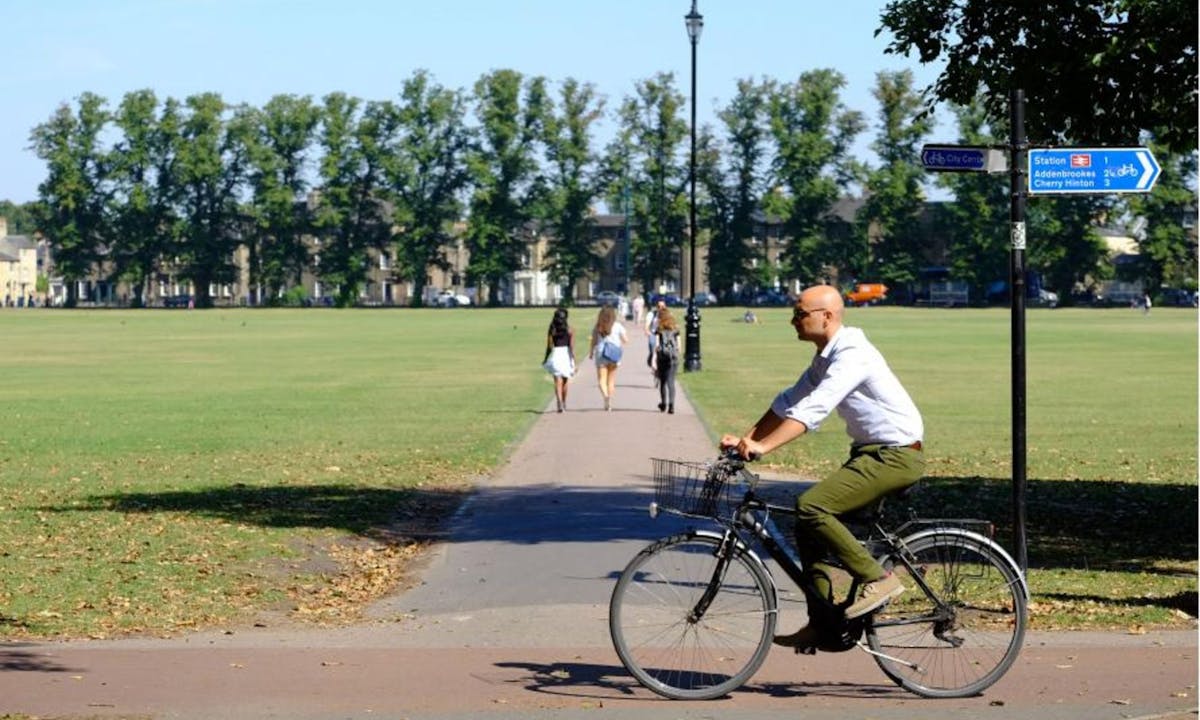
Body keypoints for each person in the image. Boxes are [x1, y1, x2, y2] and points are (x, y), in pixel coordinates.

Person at [720, 284, 925, 650]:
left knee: (812, 506)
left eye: (800, 314)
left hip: (896, 455)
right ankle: (825, 624)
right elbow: (788, 401)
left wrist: (763, 446)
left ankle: (879, 578)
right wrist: (746, 440)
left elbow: (815, 408)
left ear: (826, 316)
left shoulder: (852, 354)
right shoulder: (826, 356)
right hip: (870, 453)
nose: (792, 321)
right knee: (808, 523)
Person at [588, 305, 627, 411]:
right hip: (614, 354)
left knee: (601, 379)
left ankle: (605, 397)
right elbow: (625, 340)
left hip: (601, 353)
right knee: (611, 380)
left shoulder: (598, 326)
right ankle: (609, 399)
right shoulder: (617, 325)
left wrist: (591, 352)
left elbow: (593, 341)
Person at [542, 308, 576, 412]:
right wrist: (573, 361)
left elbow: (549, 346)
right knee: (565, 381)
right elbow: (571, 347)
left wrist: (545, 359)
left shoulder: (552, 329)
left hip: (556, 355)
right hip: (566, 355)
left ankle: (559, 403)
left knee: (557, 382)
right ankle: (564, 403)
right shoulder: (570, 329)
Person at [652, 308, 681, 413]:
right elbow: (679, 346)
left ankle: (663, 404)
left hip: (662, 357)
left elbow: (656, 345)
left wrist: (654, 359)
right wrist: (676, 355)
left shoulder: (659, 329)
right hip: (673, 357)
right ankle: (672, 405)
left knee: (663, 381)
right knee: (671, 382)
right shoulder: (675, 328)